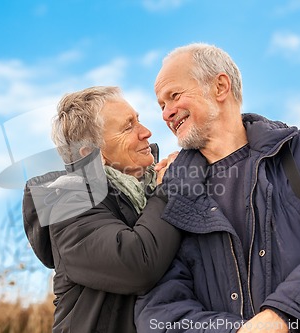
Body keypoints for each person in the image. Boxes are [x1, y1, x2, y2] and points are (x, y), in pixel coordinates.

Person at [134, 43, 300, 333]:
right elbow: (158, 311)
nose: (166, 114)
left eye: (174, 96)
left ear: (220, 86)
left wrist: (282, 316)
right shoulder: (172, 194)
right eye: (162, 105)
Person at [22, 86, 181, 333]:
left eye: (138, 120)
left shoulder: (151, 188)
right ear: (91, 154)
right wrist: (168, 190)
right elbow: (137, 264)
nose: (146, 132)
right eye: (128, 127)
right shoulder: (67, 203)